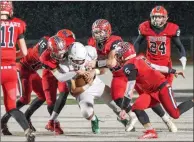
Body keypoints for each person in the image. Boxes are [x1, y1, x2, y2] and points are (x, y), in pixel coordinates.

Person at [88, 19, 176, 132]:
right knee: (118, 98)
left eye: (101, 32)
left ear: (108, 31)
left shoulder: (114, 41)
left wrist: (95, 64)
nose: (98, 35)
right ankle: (133, 117)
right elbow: (105, 69)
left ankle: (166, 119)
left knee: (149, 98)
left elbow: (112, 62)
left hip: (133, 72)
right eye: (96, 32)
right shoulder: (93, 44)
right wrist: (95, 71)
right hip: (118, 75)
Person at [114, 42, 193, 139]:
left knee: (175, 114)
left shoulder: (129, 66)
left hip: (162, 88)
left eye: (118, 55)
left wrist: (123, 108)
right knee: (137, 107)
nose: (117, 57)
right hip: (150, 92)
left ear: (125, 54)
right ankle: (150, 131)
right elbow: (156, 67)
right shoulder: (140, 58)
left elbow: (130, 89)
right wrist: (173, 71)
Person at [0, 1, 35, 141]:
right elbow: (24, 52)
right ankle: (27, 131)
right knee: (11, 107)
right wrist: (10, 57)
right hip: (10, 70)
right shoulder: (18, 24)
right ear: (10, 10)